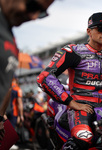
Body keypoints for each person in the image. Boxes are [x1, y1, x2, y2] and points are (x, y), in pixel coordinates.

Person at [37, 12, 102, 150]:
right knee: (83, 139)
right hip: (80, 109)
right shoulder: (74, 51)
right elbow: (45, 77)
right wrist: (72, 103)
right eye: (101, 28)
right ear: (89, 31)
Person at [0, 0, 55, 142]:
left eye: (42, 13)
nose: (34, 17)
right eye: (32, 6)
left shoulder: (10, 35)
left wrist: (1, 116)